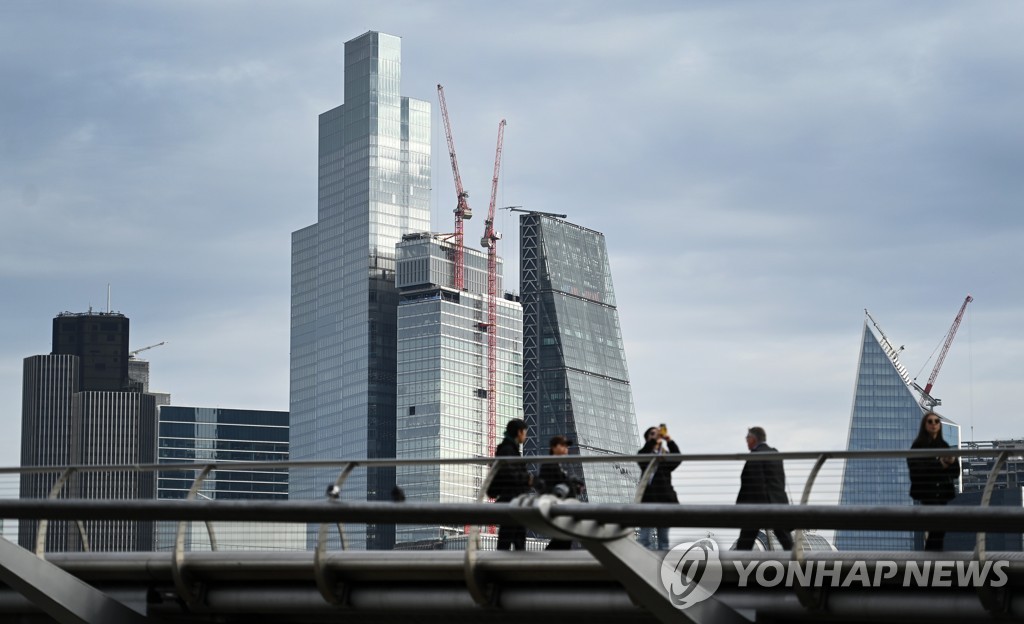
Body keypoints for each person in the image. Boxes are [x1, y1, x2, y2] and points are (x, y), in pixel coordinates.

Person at [734, 427, 793, 551]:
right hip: (777, 504)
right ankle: (801, 566)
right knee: (787, 542)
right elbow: (779, 481)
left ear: (753, 439)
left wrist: (744, 506)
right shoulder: (775, 454)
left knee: (744, 544)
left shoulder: (755, 456)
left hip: (757, 507)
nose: (746, 441)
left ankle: (735, 568)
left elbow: (756, 482)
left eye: (747, 438)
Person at [907, 411, 959, 551]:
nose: (934, 424)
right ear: (924, 425)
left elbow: (956, 472)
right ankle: (932, 556)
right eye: (930, 421)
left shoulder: (944, 446)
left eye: (937, 421)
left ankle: (932, 556)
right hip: (927, 491)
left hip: (942, 492)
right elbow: (917, 470)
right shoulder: (918, 446)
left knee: (939, 526)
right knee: (938, 524)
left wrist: (952, 461)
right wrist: (941, 465)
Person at [491, 418, 533, 551]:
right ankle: (505, 567)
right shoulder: (508, 450)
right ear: (519, 432)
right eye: (525, 432)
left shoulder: (509, 449)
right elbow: (510, 474)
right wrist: (526, 479)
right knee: (511, 537)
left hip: (513, 499)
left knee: (513, 537)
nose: (525, 436)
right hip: (512, 499)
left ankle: (512, 567)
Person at [637, 425, 681, 550]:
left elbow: (677, 458)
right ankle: (645, 563)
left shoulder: (664, 456)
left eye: (657, 433)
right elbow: (642, 458)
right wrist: (653, 441)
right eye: (652, 433)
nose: (655, 435)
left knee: (663, 540)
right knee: (644, 538)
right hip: (647, 501)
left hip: (664, 500)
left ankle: (661, 566)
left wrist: (669, 440)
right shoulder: (643, 454)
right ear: (647, 438)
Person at [538, 434, 584, 550]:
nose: (566, 449)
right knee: (564, 538)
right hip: (557, 508)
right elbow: (546, 487)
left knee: (564, 538)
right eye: (562, 445)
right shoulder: (549, 465)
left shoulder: (557, 465)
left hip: (563, 508)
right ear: (553, 447)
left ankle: (550, 562)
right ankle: (548, 561)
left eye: (566, 446)